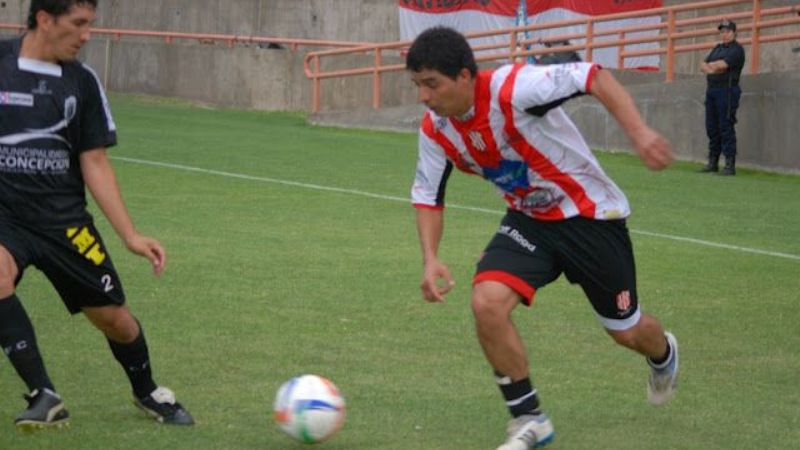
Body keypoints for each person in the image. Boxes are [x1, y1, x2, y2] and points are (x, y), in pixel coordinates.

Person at [406, 27, 678, 449]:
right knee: (486, 302)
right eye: (417, 85)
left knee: (626, 332)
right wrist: (430, 258)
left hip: (590, 218)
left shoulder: (513, 89)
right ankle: (529, 419)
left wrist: (639, 133)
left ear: (464, 77)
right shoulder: (436, 129)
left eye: (431, 84)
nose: (423, 96)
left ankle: (663, 353)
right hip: (529, 221)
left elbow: (594, 76)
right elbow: (427, 194)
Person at [0, 0, 193, 430]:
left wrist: (130, 235)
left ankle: (147, 391)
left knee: (115, 322)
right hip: (6, 218)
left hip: (65, 224)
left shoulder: (82, 82)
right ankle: (43, 394)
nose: (88, 34)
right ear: (45, 19)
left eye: (91, 24)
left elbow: (95, 162)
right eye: (79, 23)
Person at [699, 19, 745, 175]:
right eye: (722, 32)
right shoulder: (717, 48)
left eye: (727, 31)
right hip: (712, 90)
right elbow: (703, 65)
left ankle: (729, 165)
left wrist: (713, 67)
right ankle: (713, 162)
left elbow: (723, 66)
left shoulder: (737, 50)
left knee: (726, 127)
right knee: (711, 128)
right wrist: (712, 67)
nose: (724, 34)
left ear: (734, 32)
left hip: (727, 91)